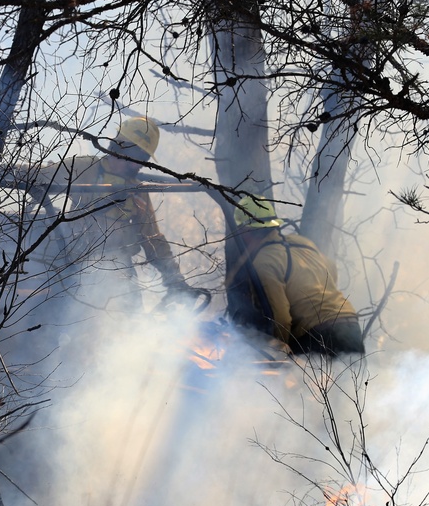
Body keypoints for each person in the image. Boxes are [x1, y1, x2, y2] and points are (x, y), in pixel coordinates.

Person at [25, 117, 191, 301]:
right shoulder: (84, 167)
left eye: (144, 158)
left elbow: (153, 239)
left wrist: (176, 280)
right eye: (138, 157)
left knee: (132, 322)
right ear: (120, 148)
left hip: (120, 272)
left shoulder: (137, 191)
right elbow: (34, 175)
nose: (140, 165)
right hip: (73, 265)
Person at [225, 195, 365, 357]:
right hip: (349, 325)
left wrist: (278, 354)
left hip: (319, 336)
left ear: (246, 231)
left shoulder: (264, 261)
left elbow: (280, 318)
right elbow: (331, 269)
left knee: (307, 382)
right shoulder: (303, 243)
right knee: (354, 381)